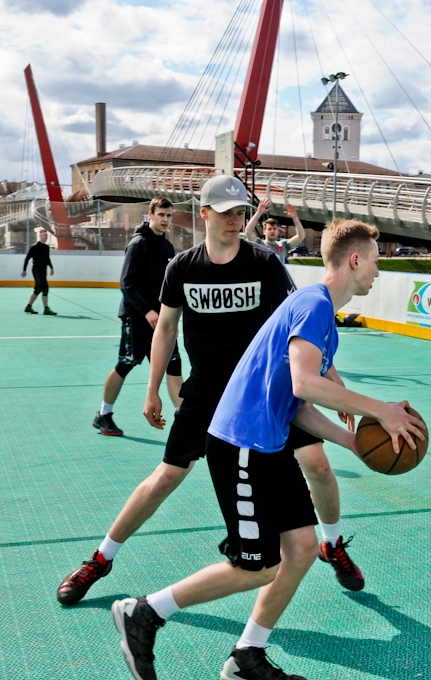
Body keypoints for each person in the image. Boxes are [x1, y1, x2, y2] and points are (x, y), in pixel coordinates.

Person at [110, 218, 426, 680]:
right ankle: (144, 612)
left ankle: (247, 656)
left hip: (267, 442)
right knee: (256, 567)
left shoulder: (318, 309)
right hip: (240, 444)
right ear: (355, 259)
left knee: (302, 548)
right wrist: (382, 410)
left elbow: (296, 404)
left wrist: (353, 442)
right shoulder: (314, 305)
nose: (378, 271)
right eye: (376, 261)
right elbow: (305, 383)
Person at [56, 176, 363, 609]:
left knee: (318, 465)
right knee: (165, 478)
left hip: (264, 394)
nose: (234, 220)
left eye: (240, 212)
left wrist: (334, 382)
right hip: (207, 392)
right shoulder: (182, 267)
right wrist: (153, 389)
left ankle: (331, 544)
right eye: (225, 213)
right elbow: (166, 328)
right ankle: (100, 559)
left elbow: (299, 329)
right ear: (204, 213)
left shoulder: (264, 263)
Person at [92, 198, 183, 437]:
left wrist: (169, 314)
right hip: (136, 317)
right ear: (150, 215)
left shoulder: (167, 247)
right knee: (127, 363)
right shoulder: (138, 244)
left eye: (169, 215)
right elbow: (127, 284)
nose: (165, 219)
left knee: (174, 365)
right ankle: (103, 414)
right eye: (161, 215)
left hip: (161, 321)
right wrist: (147, 311)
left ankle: (184, 420)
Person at [244, 197, 306, 264]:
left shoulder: (283, 245)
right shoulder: (259, 244)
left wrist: (295, 218)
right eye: (269, 229)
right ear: (264, 231)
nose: (272, 231)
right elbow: (248, 231)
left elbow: (301, 236)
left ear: (278, 231)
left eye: (274, 229)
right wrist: (258, 213)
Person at [21, 227, 57, 315]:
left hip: (43, 270)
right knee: (44, 288)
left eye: (47, 235)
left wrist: (51, 268)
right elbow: (27, 258)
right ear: (40, 236)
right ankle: (46, 309)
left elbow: (47, 258)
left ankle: (28, 307)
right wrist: (24, 270)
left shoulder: (46, 247)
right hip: (36, 270)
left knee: (39, 289)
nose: (46, 237)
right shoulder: (35, 247)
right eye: (45, 235)